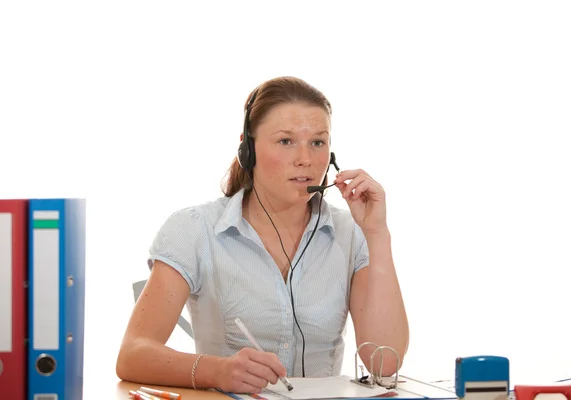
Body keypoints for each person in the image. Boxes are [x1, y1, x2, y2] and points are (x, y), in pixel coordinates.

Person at [116, 76, 409, 394]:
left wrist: (376, 232)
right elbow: (133, 354)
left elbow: (385, 365)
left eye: (318, 142)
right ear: (248, 149)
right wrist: (217, 371)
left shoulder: (350, 235)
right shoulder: (195, 229)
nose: (305, 159)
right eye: (286, 141)